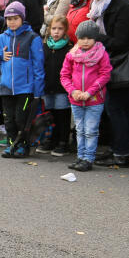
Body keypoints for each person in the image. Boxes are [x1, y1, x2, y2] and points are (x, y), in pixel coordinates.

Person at [83, 0, 129, 169]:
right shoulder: (100, 5)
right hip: (104, 62)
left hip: (120, 64)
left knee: (116, 109)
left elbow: (121, 43)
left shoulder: (124, 8)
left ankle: (121, 153)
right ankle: (115, 148)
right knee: (110, 109)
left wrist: (93, 37)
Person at [0, 1, 44, 158]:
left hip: (25, 88)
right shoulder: (1, 38)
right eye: (9, 18)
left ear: (22, 18)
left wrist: (38, 91)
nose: (11, 22)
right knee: (9, 120)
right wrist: (0, 54)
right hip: (6, 87)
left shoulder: (32, 38)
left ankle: (22, 145)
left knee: (21, 119)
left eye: (15, 18)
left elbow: (38, 66)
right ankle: (12, 144)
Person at [60, 21, 113, 171]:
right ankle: (80, 156)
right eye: (82, 38)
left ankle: (88, 158)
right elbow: (64, 76)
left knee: (91, 130)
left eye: (89, 38)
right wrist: (73, 91)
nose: (85, 41)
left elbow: (105, 75)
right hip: (76, 99)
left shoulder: (101, 54)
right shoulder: (71, 55)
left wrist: (90, 92)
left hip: (94, 100)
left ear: (95, 38)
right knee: (80, 129)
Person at [38, 16, 74, 155]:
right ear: (49, 30)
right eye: (54, 28)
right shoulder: (45, 46)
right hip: (47, 87)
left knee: (62, 114)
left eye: (60, 29)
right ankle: (50, 140)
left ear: (65, 30)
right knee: (50, 115)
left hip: (62, 88)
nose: (56, 32)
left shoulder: (69, 48)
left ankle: (63, 141)